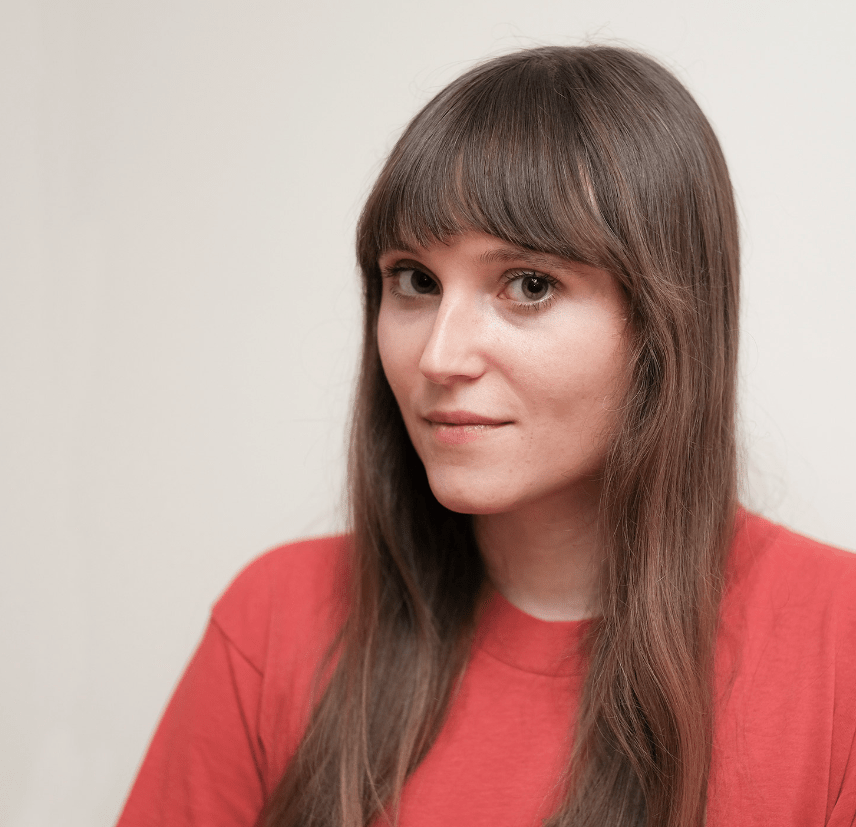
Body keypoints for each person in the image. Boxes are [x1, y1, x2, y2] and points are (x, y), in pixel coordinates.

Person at [115, 46, 856, 827]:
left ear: (665, 325)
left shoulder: (838, 646)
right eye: (416, 281)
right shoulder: (274, 621)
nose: (438, 357)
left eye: (528, 286)